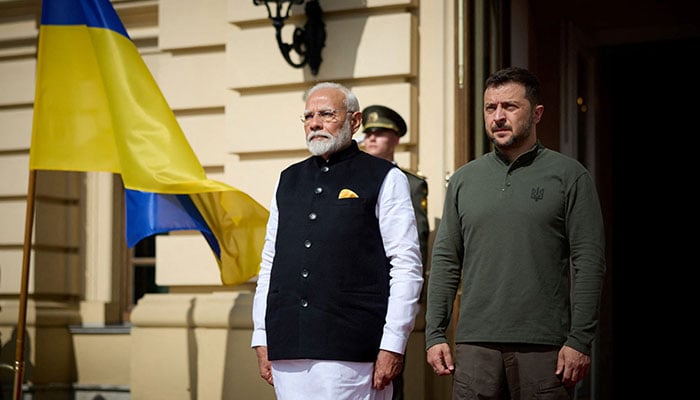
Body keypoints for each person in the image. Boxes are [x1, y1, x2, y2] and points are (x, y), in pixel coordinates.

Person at [425, 66, 606, 399]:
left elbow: (589, 262)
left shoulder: (569, 176)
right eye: (491, 108)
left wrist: (580, 339)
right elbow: (446, 260)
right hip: (475, 347)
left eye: (509, 106)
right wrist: (435, 334)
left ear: (536, 113)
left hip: (544, 348)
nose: (498, 117)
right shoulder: (465, 180)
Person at [251, 82, 424, 400]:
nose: (314, 122)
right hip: (287, 346)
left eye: (327, 114)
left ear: (355, 121)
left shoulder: (385, 177)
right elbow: (270, 261)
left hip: (353, 350)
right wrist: (261, 335)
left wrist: (393, 343)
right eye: (308, 116)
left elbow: (406, 265)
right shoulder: (287, 180)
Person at [361, 104, 429, 400]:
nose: (372, 138)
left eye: (380, 133)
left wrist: (409, 298)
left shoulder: (411, 184)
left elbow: (417, 241)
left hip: (388, 297)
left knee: (387, 377)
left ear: (396, 139)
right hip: (353, 297)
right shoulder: (353, 180)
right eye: (369, 133)